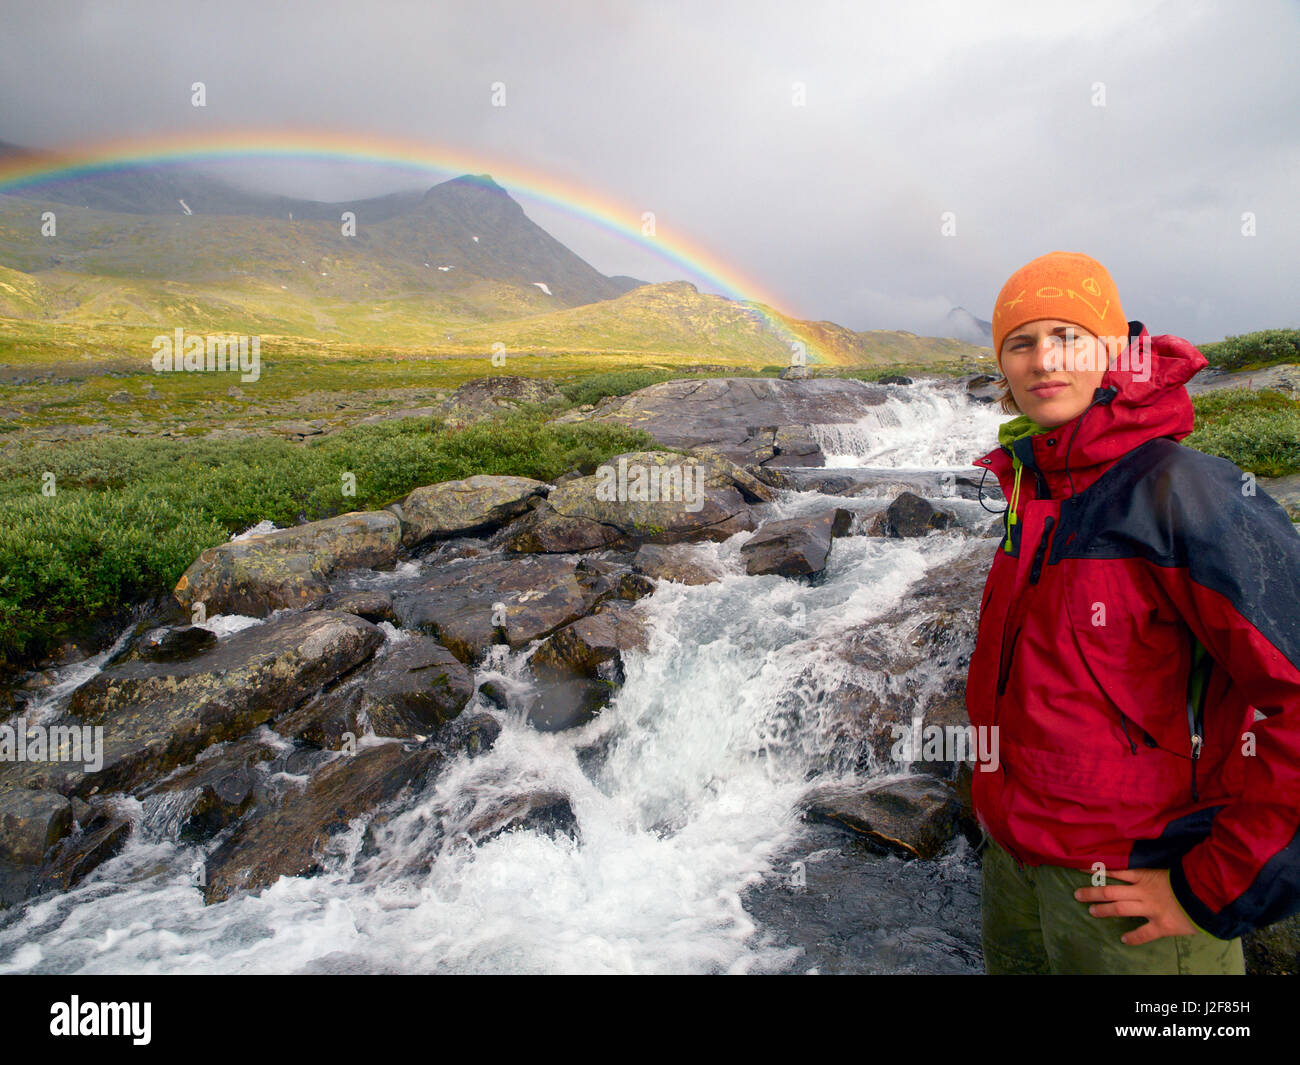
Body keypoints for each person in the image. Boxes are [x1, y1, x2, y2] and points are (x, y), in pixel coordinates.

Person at [966, 250, 1300, 975]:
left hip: (1139, 897)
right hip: (1016, 870)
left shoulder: (1189, 494)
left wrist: (1209, 889)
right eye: (1020, 342)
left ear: (1114, 349)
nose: (1043, 359)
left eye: (1069, 336)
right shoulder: (1033, 489)